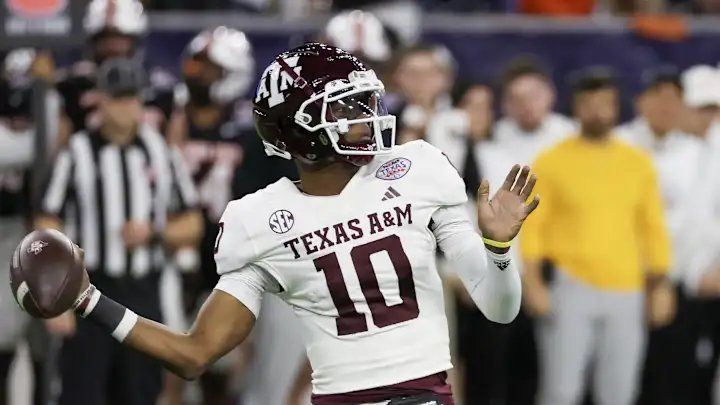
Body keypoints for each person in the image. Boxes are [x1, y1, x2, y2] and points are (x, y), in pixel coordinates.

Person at [22, 43, 540, 405]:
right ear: (300, 129)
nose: (369, 115)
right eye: (346, 107)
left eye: (364, 101)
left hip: (430, 395)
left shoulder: (420, 167)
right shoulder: (259, 222)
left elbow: (500, 307)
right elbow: (193, 354)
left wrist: (498, 245)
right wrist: (90, 301)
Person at [35, 58, 202, 405]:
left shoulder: (162, 153)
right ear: (101, 100)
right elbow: (47, 223)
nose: (124, 108)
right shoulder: (77, 152)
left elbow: (192, 224)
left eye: (130, 98)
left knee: (140, 392)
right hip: (88, 290)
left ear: (141, 102)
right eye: (116, 98)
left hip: (143, 292)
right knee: (81, 392)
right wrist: (55, 297)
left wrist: (154, 234)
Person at [521, 68, 675, 405]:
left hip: (628, 288)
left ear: (616, 107)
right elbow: (533, 226)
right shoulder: (551, 161)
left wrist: (660, 284)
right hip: (570, 286)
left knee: (620, 392)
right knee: (561, 390)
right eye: (588, 103)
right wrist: (533, 283)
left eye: (604, 103)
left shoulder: (637, 163)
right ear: (575, 108)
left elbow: (652, 226)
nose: (596, 111)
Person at [616, 67, 702, 405]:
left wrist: (666, 278)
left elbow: (698, 221)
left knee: (673, 378)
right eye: (659, 98)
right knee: (619, 379)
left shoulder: (698, 153)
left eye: (674, 100)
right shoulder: (617, 145)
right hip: (621, 281)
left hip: (678, 283)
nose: (667, 108)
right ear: (640, 102)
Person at [55, 0, 175, 145]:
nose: (112, 47)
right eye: (105, 39)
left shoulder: (158, 88)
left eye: (119, 39)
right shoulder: (74, 86)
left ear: (134, 41)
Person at [494, 57, 575, 166]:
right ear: (505, 104)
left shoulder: (571, 133)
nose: (527, 105)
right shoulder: (493, 137)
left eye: (533, 96)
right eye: (518, 99)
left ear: (551, 94)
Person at [390, 44, 455, 144]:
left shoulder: (466, 115)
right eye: (412, 73)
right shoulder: (388, 122)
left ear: (446, 78)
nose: (420, 80)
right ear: (398, 77)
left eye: (428, 73)